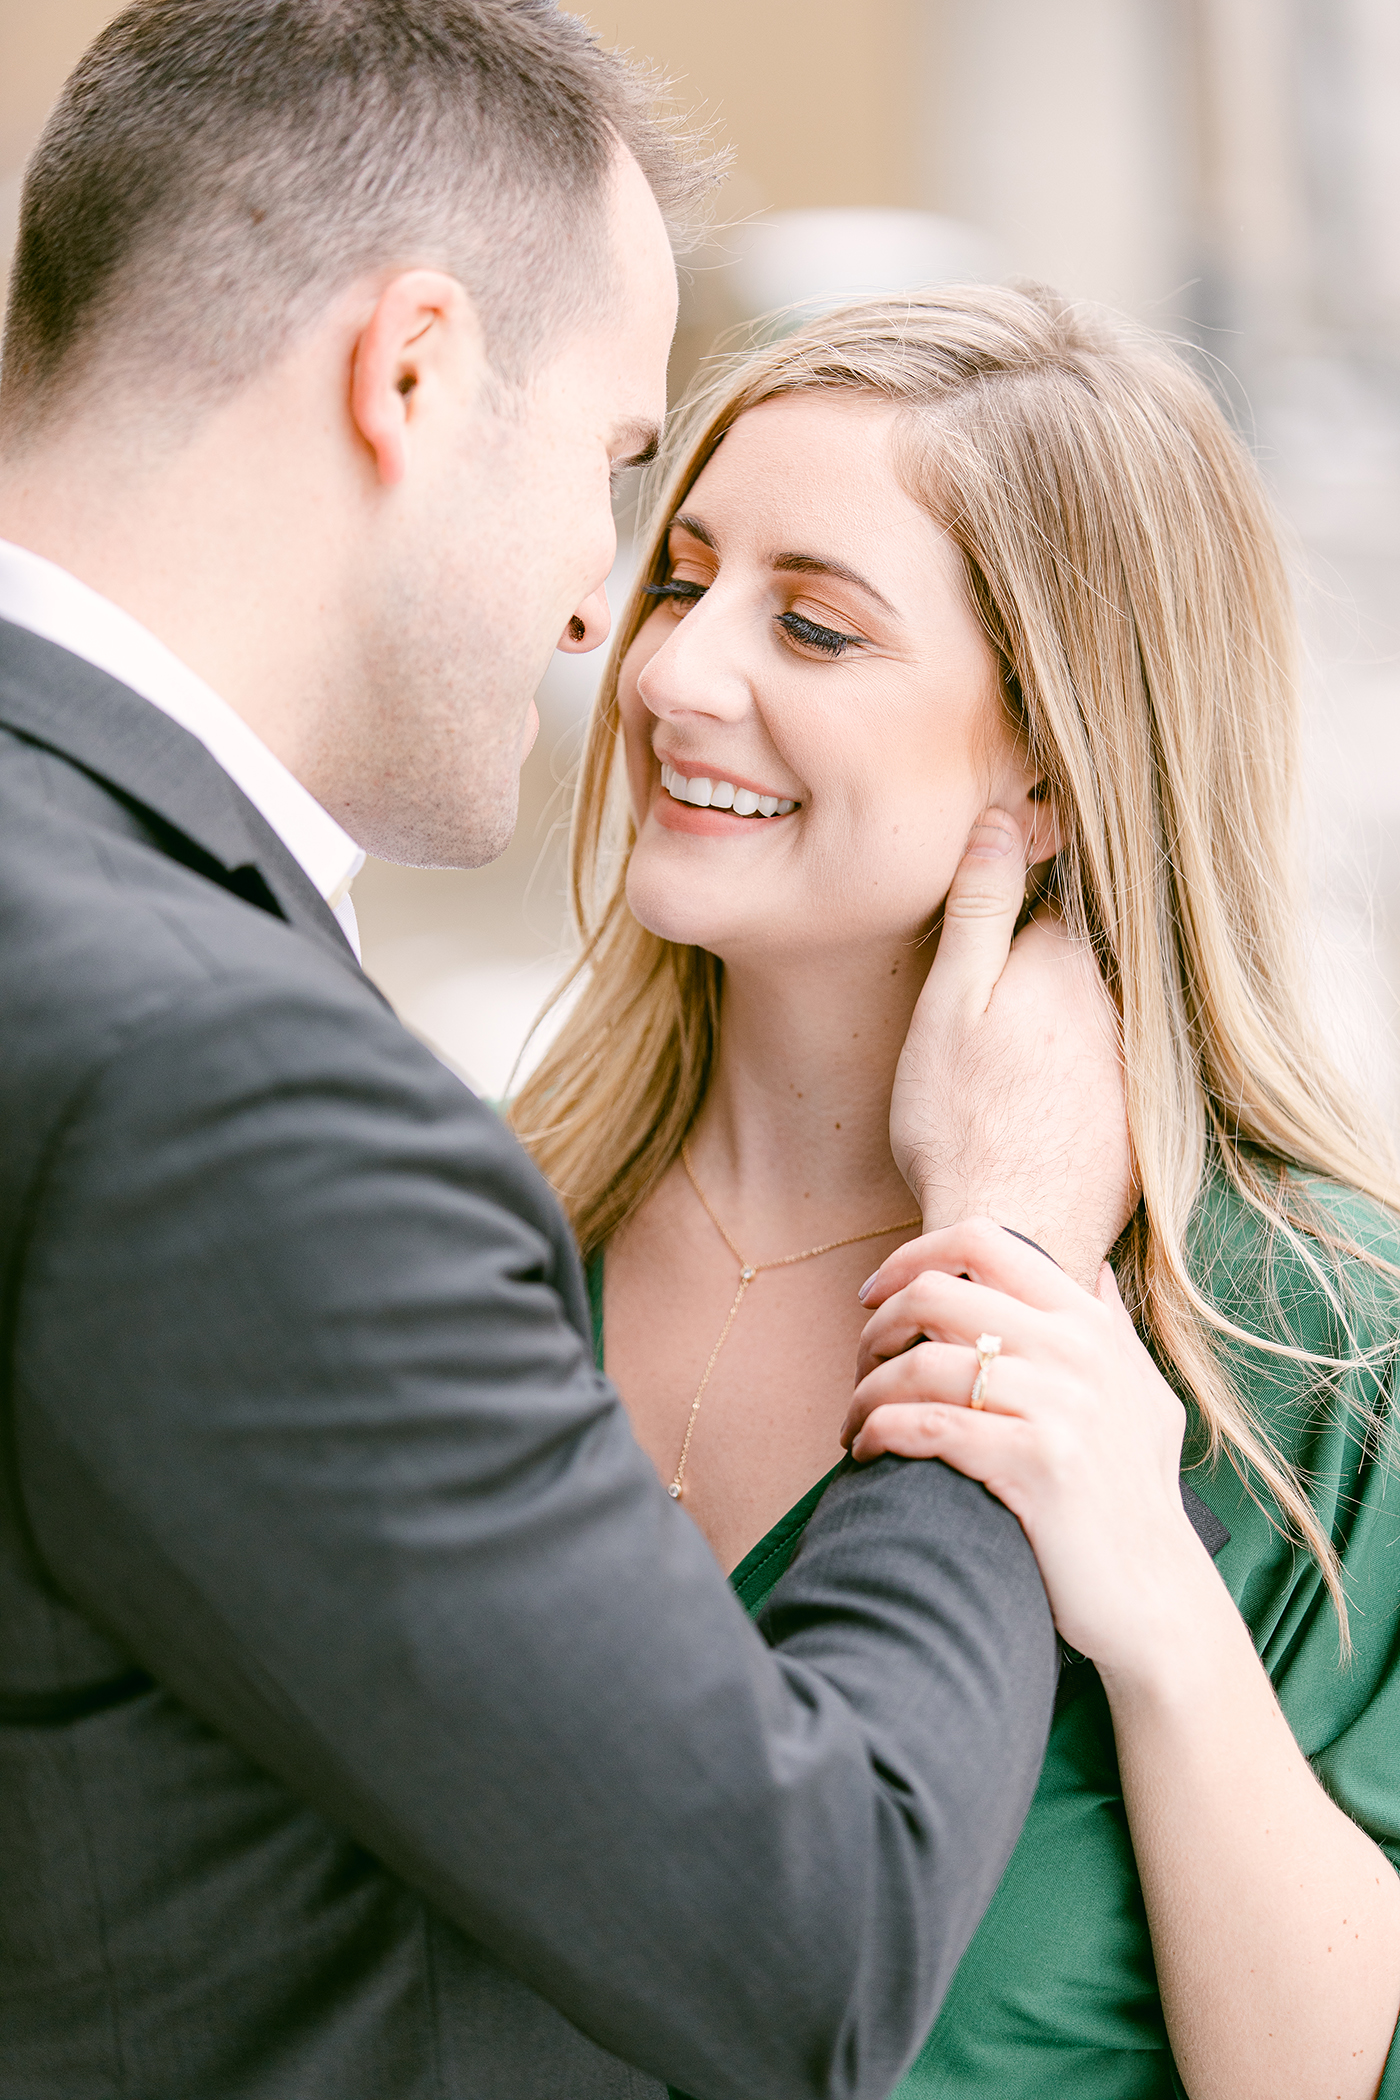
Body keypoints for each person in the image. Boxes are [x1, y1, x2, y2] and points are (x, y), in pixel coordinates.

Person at [0, 9, 1140, 2100]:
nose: (599, 626)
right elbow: (815, 1938)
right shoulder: (223, 1086)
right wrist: (1002, 1263)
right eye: (622, 476)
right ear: (410, 372)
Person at [512, 284, 1400, 2099]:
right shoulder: (481, 1232)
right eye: (682, 578)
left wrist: (1147, 1591)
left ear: (1057, 767)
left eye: (816, 628)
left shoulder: (1321, 1352)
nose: (672, 674)